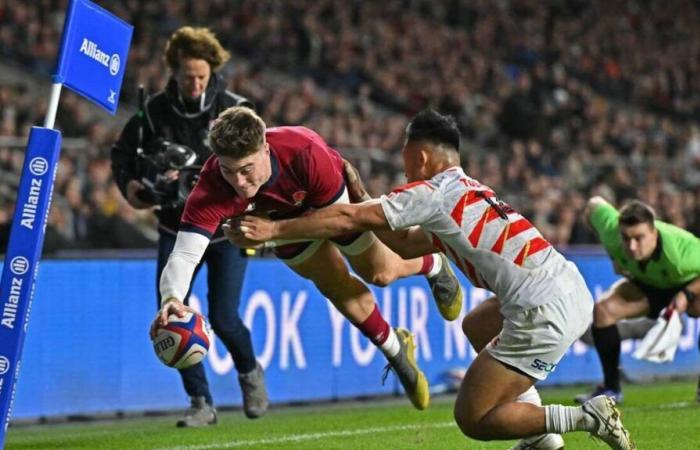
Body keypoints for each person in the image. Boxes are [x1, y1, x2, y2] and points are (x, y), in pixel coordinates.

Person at [235, 109, 636, 450]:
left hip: (540, 307)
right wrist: (360, 194)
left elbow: (346, 220)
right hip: (566, 284)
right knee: (476, 324)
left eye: (406, 158)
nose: (404, 167)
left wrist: (273, 231)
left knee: (473, 417)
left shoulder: (432, 192)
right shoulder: (464, 191)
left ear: (422, 156)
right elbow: (407, 246)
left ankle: (584, 417)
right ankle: (540, 440)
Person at [151, 106, 464, 412]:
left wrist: (272, 230)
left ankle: (433, 264)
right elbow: (184, 253)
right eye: (228, 170)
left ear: (265, 149)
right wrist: (172, 297)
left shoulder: (304, 152)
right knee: (335, 285)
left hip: (331, 209)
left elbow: (342, 219)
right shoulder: (211, 185)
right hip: (276, 226)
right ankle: (396, 352)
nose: (239, 182)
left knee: (380, 273)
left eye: (246, 170)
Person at [111, 27, 267, 427]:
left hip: (228, 232)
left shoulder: (234, 107)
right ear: (174, 73)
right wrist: (132, 185)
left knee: (224, 316)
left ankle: (249, 372)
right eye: (186, 77)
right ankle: (200, 402)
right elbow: (123, 154)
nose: (194, 84)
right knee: (172, 314)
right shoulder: (154, 111)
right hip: (174, 226)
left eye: (201, 76)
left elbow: (258, 158)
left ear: (212, 71)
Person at [574, 197, 700, 404]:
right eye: (626, 238)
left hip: (685, 283)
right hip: (647, 284)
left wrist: (686, 294)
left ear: (654, 233)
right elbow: (594, 204)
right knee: (604, 311)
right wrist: (612, 252)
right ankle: (611, 389)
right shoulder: (612, 231)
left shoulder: (681, 253)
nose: (631, 246)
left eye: (639, 238)